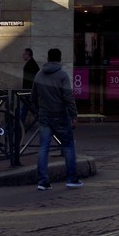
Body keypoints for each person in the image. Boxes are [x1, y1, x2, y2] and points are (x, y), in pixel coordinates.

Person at [31, 48, 82, 190]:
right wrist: (73, 115)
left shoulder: (39, 75)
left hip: (44, 115)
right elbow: (68, 97)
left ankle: (42, 181)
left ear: (48, 58)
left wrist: (38, 111)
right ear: (59, 59)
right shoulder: (62, 75)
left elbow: (33, 97)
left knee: (43, 148)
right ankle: (72, 178)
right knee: (68, 146)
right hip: (60, 115)